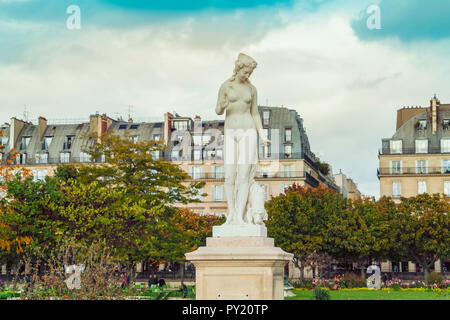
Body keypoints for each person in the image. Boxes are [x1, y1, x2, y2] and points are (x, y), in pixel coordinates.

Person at [216, 53, 270, 226]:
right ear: (239, 68)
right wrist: (223, 105)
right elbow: (218, 110)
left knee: (244, 177)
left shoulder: (252, 89)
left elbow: (255, 113)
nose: (248, 76)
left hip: (248, 131)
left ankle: (240, 215)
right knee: (230, 176)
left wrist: (262, 134)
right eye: (246, 72)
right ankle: (231, 214)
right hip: (231, 132)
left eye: (250, 73)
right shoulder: (226, 86)